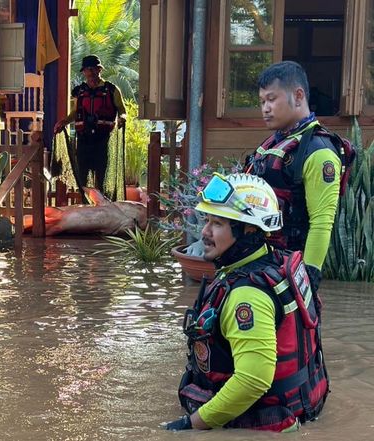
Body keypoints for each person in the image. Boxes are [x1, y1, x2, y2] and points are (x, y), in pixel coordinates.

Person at [165, 173, 328, 432]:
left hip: (260, 419)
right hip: (302, 403)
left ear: (248, 230)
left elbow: (253, 381)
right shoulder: (276, 261)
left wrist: (188, 426)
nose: (204, 231)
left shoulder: (247, 295)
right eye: (206, 220)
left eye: (217, 223)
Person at [245, 61, 343, 292]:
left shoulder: (320, 153)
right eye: (261, 102)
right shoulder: (275, 143)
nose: (265, 108)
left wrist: (307, 279)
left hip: (289, 271)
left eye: (271, 99)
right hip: (261, 265)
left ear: (298, 96)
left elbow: (321, 222)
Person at [53, 54, 127, 198]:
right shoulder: (79, 92)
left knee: (102, 176)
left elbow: (122, 111)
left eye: (94, 69)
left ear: (100, 70)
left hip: (103, 140)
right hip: (83, 140)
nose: (91, 73)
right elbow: (75, 113)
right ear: (84, 72)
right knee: (82, 176)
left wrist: (122, 119)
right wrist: (63, 122)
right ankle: (86, 205)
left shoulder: (112, 90)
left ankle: (104, 208)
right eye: (88, 70)